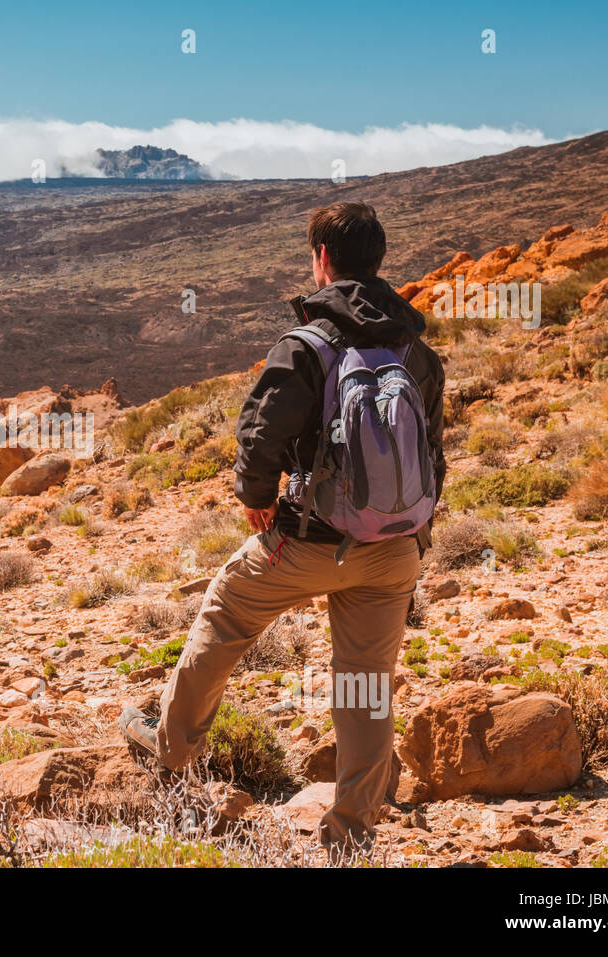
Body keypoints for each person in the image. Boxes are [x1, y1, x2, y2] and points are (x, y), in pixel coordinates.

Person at [120, 201, 446, 847]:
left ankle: (174, 749)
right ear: (378, 260)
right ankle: (351, 828)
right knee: (365, 682)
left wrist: (257, 496)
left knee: (225, 619)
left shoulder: (307, 345)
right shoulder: (417, 351)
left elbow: (260, 433)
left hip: (304, 541)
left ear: (321, 258)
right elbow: (433, 453)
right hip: (392, 549)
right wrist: (414, 535)